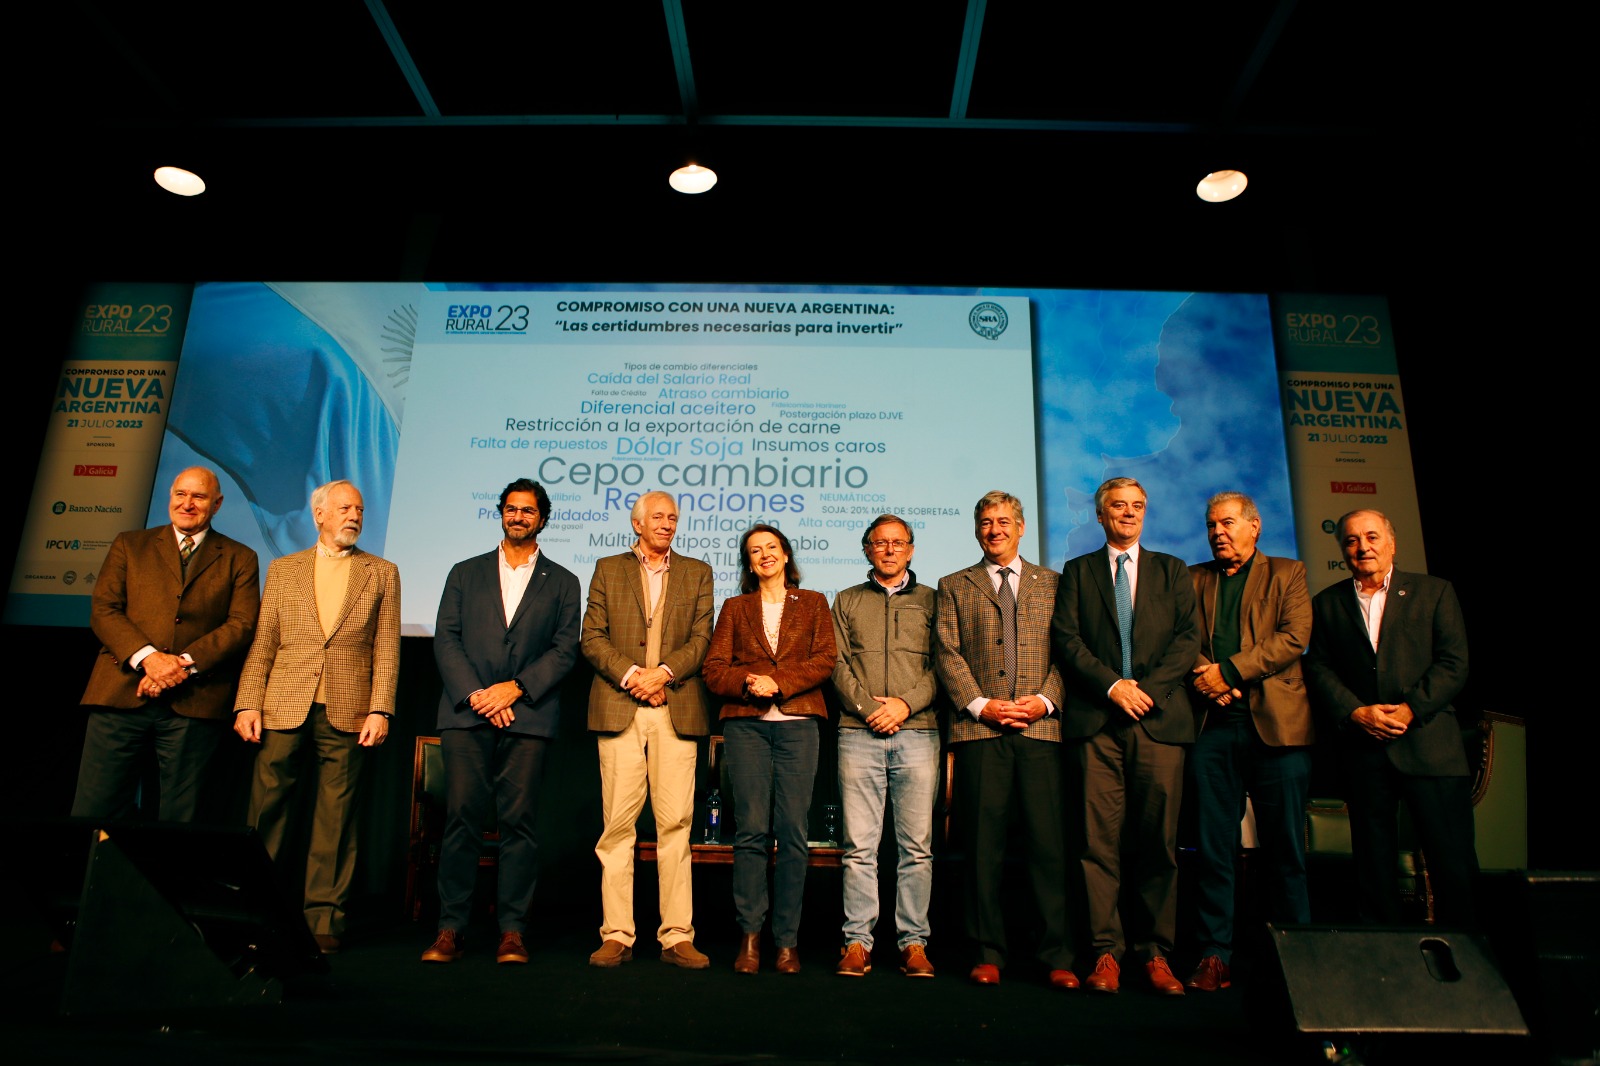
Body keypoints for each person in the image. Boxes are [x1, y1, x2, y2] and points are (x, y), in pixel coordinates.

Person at [233, 479, 400, 954]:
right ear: (319, 514)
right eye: (345, 508)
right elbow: (264, 640)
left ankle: (323, 918)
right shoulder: (284, 569)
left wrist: (380, 708)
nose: (354, 516)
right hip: (283, 702)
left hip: (348, 707)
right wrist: (248, 700)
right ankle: (256, 909)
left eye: (360, 510)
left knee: (338, 815)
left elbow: (386, 648)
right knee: (266, 810)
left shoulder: (382, 572)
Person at [421, 479, 580, 965]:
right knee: (462, 821)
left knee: (520, 825)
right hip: (467, 715)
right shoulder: (464, 572)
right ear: (501, 515)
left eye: (528, 511)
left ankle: (512, 931)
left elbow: (565, 648)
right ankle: (451, 928)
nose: (518, 517)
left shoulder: (564, 580)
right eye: (510, 509)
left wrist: (516, 688)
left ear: (543, 518)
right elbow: (446, 638)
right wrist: (477, 695)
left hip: (528, 716)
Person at [1051, 476, 1199, 995]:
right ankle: (1105, 954)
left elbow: (1188, 639)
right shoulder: (1077, 571)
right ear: (1101, 515)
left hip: (1158, 724)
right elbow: (1066, 640)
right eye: (1118, 506)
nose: (1129, 514)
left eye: (1137, 506)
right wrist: (1113, 687)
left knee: (1158, 844)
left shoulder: (1172, 571)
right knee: (1097, 845)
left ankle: (1156, 954)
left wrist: (1148, 692)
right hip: (1098, 723)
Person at [1304, 509, 1475, 926]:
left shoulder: (1434, 592)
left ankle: (1470, 955)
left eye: (1372, 537)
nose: (1363, 547)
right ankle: (1384, 958)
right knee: (1373, 865)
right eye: (1351, 540)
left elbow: (1454, 663)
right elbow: (1318, 668)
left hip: (1430, 747)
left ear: (1392, 543)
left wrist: (1413, 708)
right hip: (1365, 752)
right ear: (1341, 548)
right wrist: (1355, 711)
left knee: (1451, 859)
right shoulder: (1326, 603)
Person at [934, 491, 1072, 988]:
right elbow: (946, 653)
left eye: (1004, 522)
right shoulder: (953, 585)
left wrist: (1044, 701)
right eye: (986, 522)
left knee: (1047, 847)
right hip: (979, 730)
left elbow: (1069, 651)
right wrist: (981, 705)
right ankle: (986, 951)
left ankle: (1056, 955)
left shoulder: (1056, 585)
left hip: (1042, 728)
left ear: (1021, 528)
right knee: (980, 849)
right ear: (976, 530)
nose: (994, 529)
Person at [73, 466, 260, 821]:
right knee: (94, 812)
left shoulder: (240, 557)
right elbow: (104, 610)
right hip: (120, 694)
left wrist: (180, 665)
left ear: (217, 504)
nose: (187, 504)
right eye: (181, 494)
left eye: (199, 497)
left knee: (181, 822)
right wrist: (149, 660)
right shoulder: (130, 544)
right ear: (170, 497)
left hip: (194, 703)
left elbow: (241, 625)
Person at [1184, 491, 1314, 992]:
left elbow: (1292, 637)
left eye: (1229, 522)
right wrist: (1206, 675)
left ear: (1254, 527)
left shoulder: (1289, 573)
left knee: (1285, 852)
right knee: (1213, 850)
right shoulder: (1192, 579)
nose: (1218, 531)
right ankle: (1215, 956)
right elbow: (1182, 639)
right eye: (1212, 523)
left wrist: (1231, 672)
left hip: (1277, 732)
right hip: (1212, 730)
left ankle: (1297, 960)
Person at [581, 490, 714, 970]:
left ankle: (677, 935)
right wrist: (636, 676)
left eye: (673, 517)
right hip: (621, 705)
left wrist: (664, 674)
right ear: (637, 524)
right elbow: (591, 636)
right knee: (617, 827)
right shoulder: (607, 568)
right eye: (657, 516)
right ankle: (616, 933)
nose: (667, 523)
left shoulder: (698, 571)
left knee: (676, 825)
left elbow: (703, 639)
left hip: (676, 706)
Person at [703, 524, 836, 975]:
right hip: (747, 729)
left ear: (785, 555)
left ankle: (787, 942)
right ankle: (750, 937)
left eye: (771, 548)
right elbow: (714, 669)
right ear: (748, 562)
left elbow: (825, 660)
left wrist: (779, 682)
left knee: (793, 834)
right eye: (755, 551)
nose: (765, 556)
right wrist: (746, 682)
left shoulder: (814, 603)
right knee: (751, 832)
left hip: (800, 726)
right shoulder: (735, 607)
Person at [831, 514, 940, 978]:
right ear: (868, 550)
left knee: (916, 848)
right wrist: (866, 708)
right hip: (858, 734)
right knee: (859, 848)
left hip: (919, 733)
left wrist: (904, 706)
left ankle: (913, 944)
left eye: (898, 543)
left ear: (911, 550)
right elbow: (836, 664)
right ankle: (857, 942)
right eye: (881, 543)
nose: (890, 550)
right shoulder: (847, 600)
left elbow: (946, 664)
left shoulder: (935, 600)